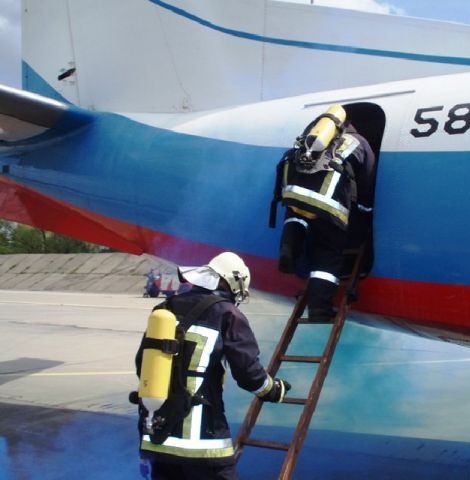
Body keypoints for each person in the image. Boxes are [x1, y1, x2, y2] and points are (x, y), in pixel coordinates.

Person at [133, 251, 291, 480]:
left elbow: (142, 363)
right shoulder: (228, 314)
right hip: (203, 444)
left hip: (158, 437)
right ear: (234, 283)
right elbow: (248, 373)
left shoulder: (164, 308)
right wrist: (273, 390)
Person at [272, 107, 376, 323]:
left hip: (295, 196)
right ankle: (319, 308)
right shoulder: (360, 143)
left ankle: (289, 250)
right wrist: (365, 214)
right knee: (328, 254)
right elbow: (367, 184)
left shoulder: (308, 139)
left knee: (297, 219)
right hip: (328, 205)